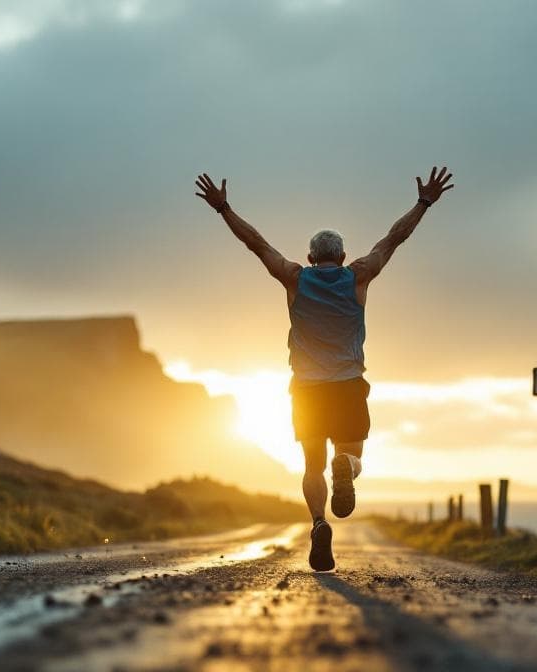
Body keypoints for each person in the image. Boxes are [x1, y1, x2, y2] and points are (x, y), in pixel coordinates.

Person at [194, 167, 454, 571]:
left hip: (306, 390)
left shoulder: (294, 278)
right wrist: (423, 203)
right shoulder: (359, 276)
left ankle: (318, 523)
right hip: (348, 385)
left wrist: (223, 207)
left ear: (312, 257)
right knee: (352, 455)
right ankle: (346, 467)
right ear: (344, 257)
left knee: (311, 466)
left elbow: (255, 243)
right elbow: (394, 238)